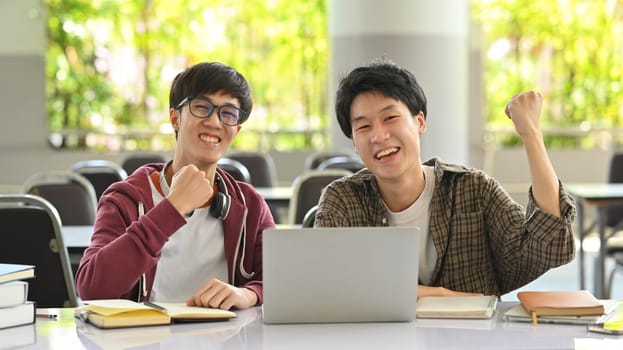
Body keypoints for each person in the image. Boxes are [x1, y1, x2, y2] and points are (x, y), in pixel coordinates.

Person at [314, 59, 576, 298]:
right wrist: (440, 295)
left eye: (390, 117)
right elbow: (327, 285)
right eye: (364, 126)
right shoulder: (342, 200)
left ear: (420, 122)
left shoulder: (473, 190)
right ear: (355, 144)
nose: (379, 135)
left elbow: (550, 245)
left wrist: (530, 132)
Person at [76, 62, 274, 310]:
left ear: (237, 129)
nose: (214, 122)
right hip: (143, 339)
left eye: (228, 114)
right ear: (175, 118)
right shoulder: (126, 199)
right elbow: (91, 288)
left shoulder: (249, 205)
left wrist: (249, 294)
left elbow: (281, 280)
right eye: (202, 107)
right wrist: (172, 208)